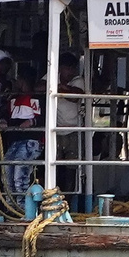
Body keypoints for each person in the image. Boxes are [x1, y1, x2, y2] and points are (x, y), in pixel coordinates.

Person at [1, 64, 43, 197]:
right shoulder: (13, 99)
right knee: (6, 174)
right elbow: (5, 114)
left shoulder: (35, 97)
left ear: (23, 80)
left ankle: (24, 210)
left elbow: (43, 119)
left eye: (18, 78)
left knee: (19, 177)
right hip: (14, 142)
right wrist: (3, 121)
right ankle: (11, 209)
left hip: (30, 141)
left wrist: (31, 122)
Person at [55, 52, 87, 196]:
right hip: (55, 131)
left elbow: (76, 96)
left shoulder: (78, 80)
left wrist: (59, 88)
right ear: (60, 68)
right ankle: (56, 197)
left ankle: (69, 201)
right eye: (68, 68)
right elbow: (39, 87)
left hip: (73, 131)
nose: (71, 71)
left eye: (73, 68)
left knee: (71, 170)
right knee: (56, 168)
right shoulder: (51, 77)